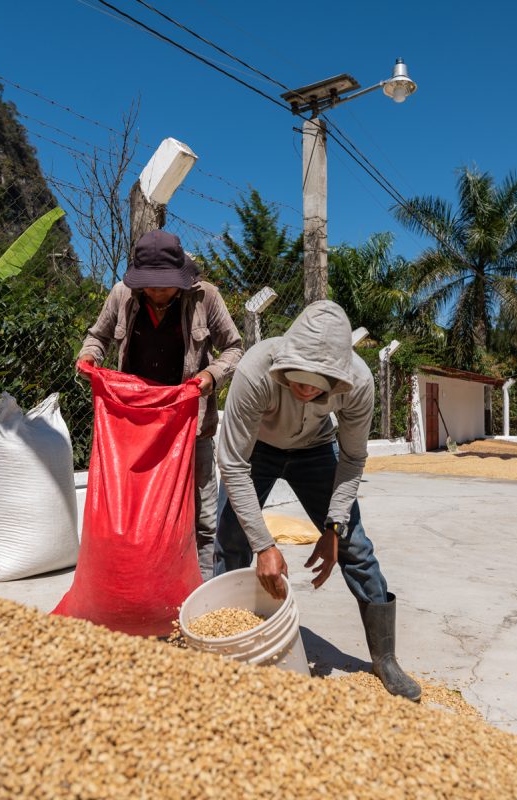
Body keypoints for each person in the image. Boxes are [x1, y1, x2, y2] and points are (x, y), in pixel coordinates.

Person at [213, 300, 421, 701]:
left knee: (355, 547)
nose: (306, 389)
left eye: (318, 383)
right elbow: (233, 463)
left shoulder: (359, 383)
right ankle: (222, 643)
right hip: (257, 453)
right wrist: (264, 544)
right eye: (298, 377)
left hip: (315, 451)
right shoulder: (256, 368)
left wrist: (334, 526)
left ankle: (386, 658)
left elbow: (353, 457)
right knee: (232, 539)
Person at [77, 230, 242, 580]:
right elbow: (98, 336)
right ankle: (139, 584)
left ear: (181, 278)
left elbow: (234, 348)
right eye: (150, 286)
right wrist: (89, 357)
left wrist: (210, 377)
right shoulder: (122, 295)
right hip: (134, 428)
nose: (156, 292)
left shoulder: (206, 298)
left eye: (164, 286)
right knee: (132, 512)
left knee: (202, 518)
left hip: (190, 426)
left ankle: (202, 596)